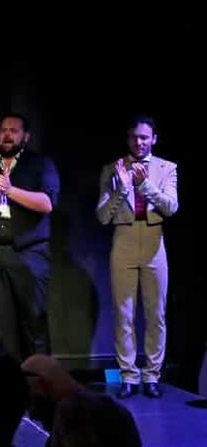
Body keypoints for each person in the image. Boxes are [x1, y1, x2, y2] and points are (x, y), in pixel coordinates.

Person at [0, 113, 60, 362]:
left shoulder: (40, 164)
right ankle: (12, 378)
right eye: (4, 130)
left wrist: (10, 190)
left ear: (25, 136)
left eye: (14, 131)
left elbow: (47, 203)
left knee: (34, 321)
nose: (7, 135)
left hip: (29, 254)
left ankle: (40, 376)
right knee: (5, 327)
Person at [96, 115, 178, 399]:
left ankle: (152, 375)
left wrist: (144, 186)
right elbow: (103, 216)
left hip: (155, 241)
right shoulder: (113, 169)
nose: (139, 142)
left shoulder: (167, 168)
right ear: (128, 139)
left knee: (156, 314)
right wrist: (122, 188)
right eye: (134, 137)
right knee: (124, 313)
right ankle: (129, 376)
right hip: (124, 240)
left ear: (154, 139)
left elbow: (171, 207)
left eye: (144, 137)